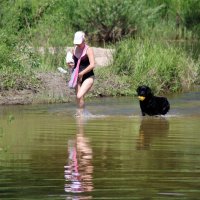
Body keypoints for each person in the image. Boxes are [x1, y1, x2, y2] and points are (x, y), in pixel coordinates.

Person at [67, 31, 95, 116]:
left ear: (84, 40)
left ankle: (83, 114)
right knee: (79, 98)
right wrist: (69, 64)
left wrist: (82, 73)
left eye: (80, 43)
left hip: (88, 76)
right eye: (77, 43)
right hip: (77, 77)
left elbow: (92, 64)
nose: (78, 45)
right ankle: (80, 115)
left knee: (79, 96)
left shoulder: (88, 49)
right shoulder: (74, 49)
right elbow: (72, 64)